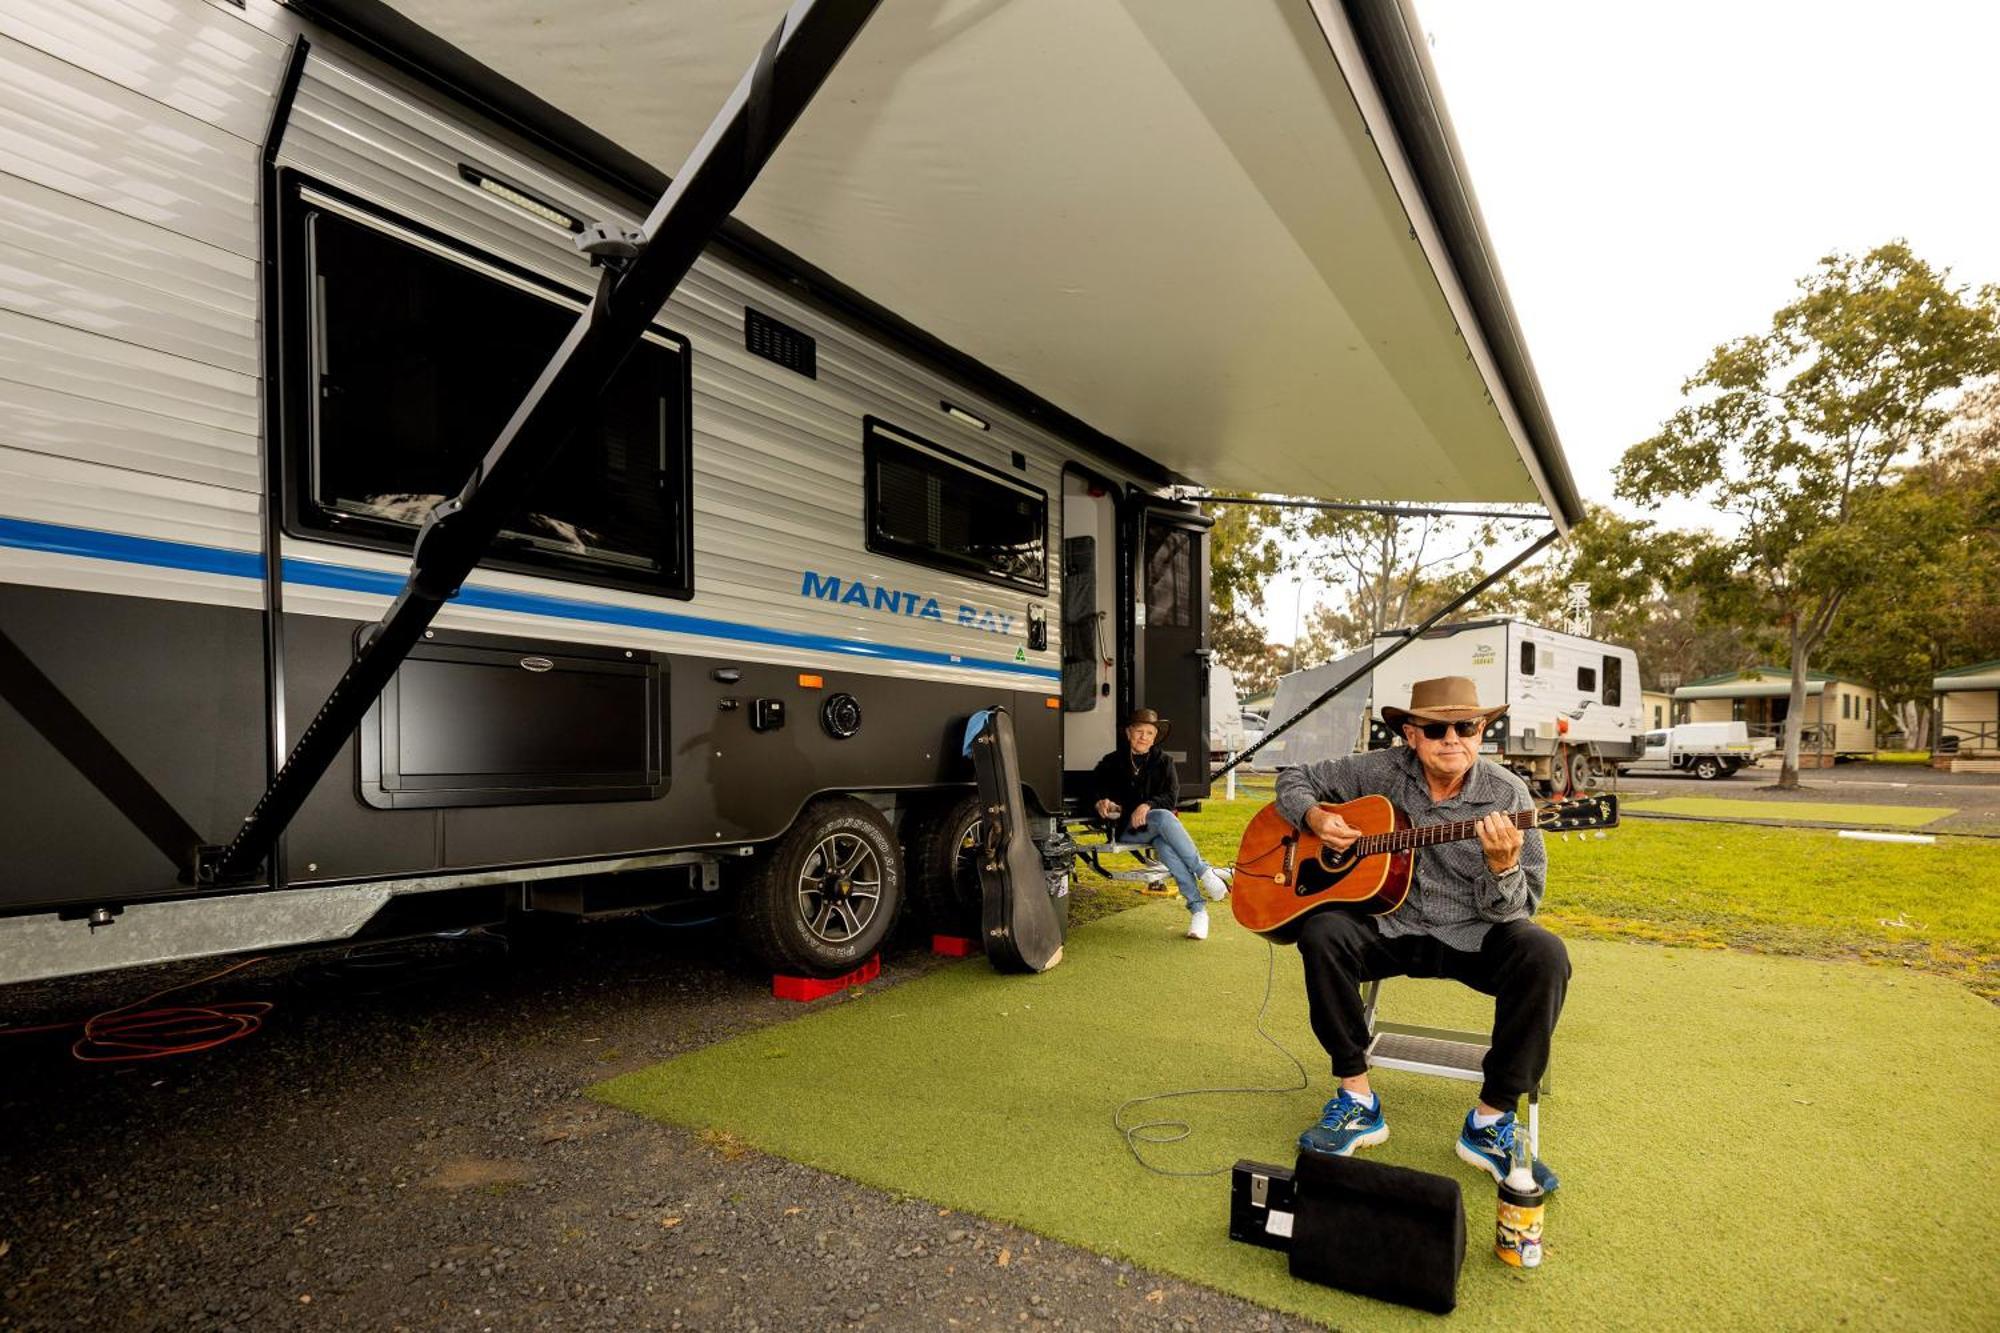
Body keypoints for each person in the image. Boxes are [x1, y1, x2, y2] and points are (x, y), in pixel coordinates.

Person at [1275, 676, 1567, 1192]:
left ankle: (1490, 1120)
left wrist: (1503, 867)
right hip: (1390, 922)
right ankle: (1358, 1100)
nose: (1453, 738)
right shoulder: (1378, 769)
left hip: (1475, 933)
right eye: (1437, 729)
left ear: (1481, 733)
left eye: (1467, 726)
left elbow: (1523, 906)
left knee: (1543, 953)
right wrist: (1315, 816)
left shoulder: (1509, 795)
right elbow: (1294, 777)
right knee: (1321, 932)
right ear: (1411, 734)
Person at [1091, 708, 1229, 939]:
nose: (1143, 737)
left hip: (1154, 827)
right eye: (1139, 731)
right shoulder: (1111, 762)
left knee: (1166, 845)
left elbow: (1170, 797)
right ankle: (1204, 871)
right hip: (1126, 829)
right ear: (1128, 733)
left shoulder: (1164, 761)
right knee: (1165, 818)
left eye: (1149, 733)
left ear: (1155, 737)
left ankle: (1198, 911)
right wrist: (1099, 802)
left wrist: (1147, 805)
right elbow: (1093, 791)